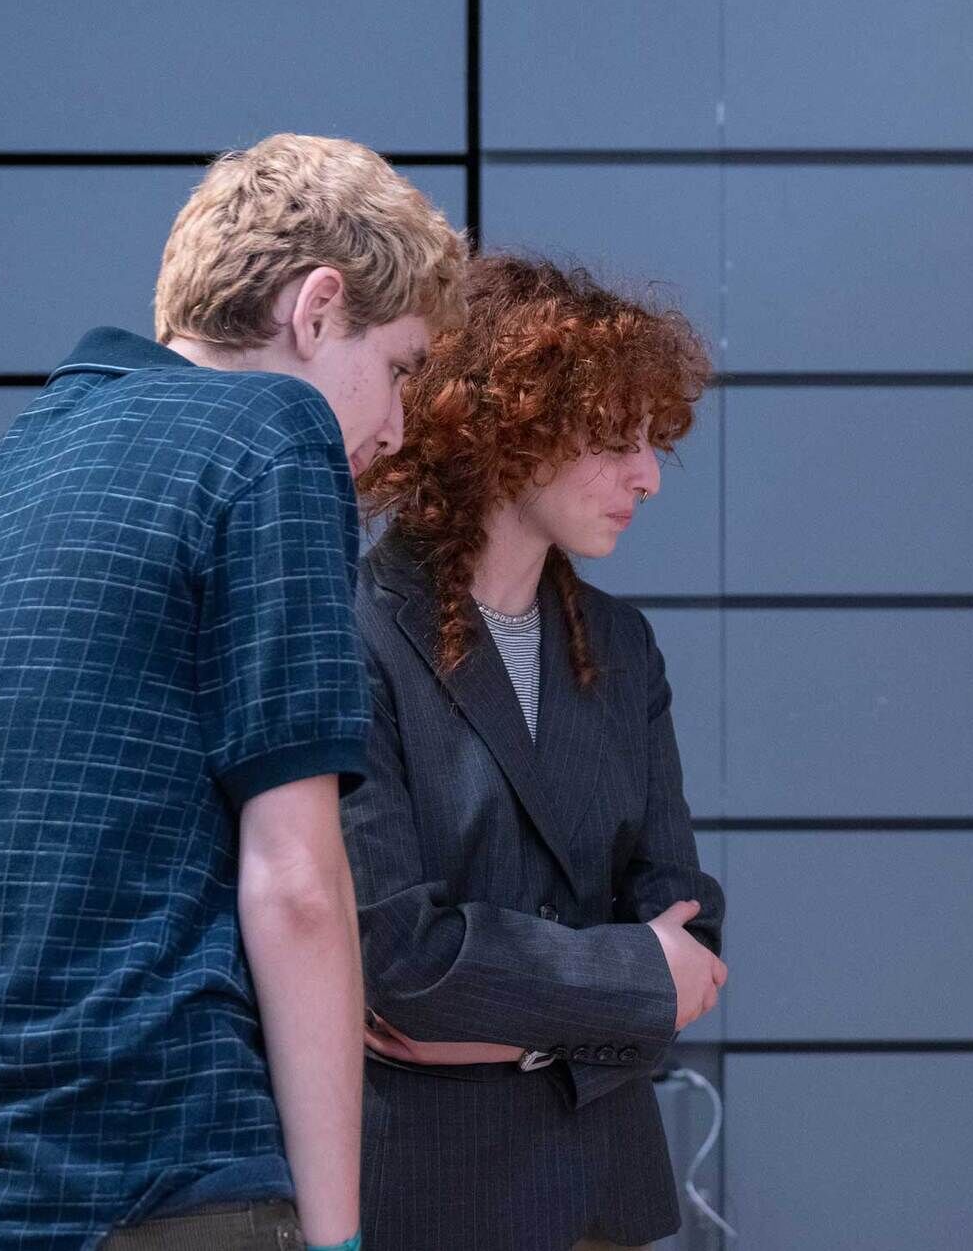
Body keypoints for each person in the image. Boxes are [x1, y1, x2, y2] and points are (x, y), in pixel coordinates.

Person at [0, 134, 467, 1251]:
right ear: (318, 309)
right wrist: (336, 1241)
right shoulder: (271, 436)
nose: (395, 429)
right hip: (147, 1181)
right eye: (404, 367)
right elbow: (296, 884)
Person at [344, 256, 727, 1251]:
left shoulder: (622, 645)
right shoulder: (351, 635)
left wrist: (487, 1016)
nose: (646, 475)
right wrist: (630, 980)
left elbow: (689, 922)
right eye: (613, 439)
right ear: (502, 432)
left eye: (652, 443)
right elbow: (400, 962)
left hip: (604, 1185)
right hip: (428, 1193)